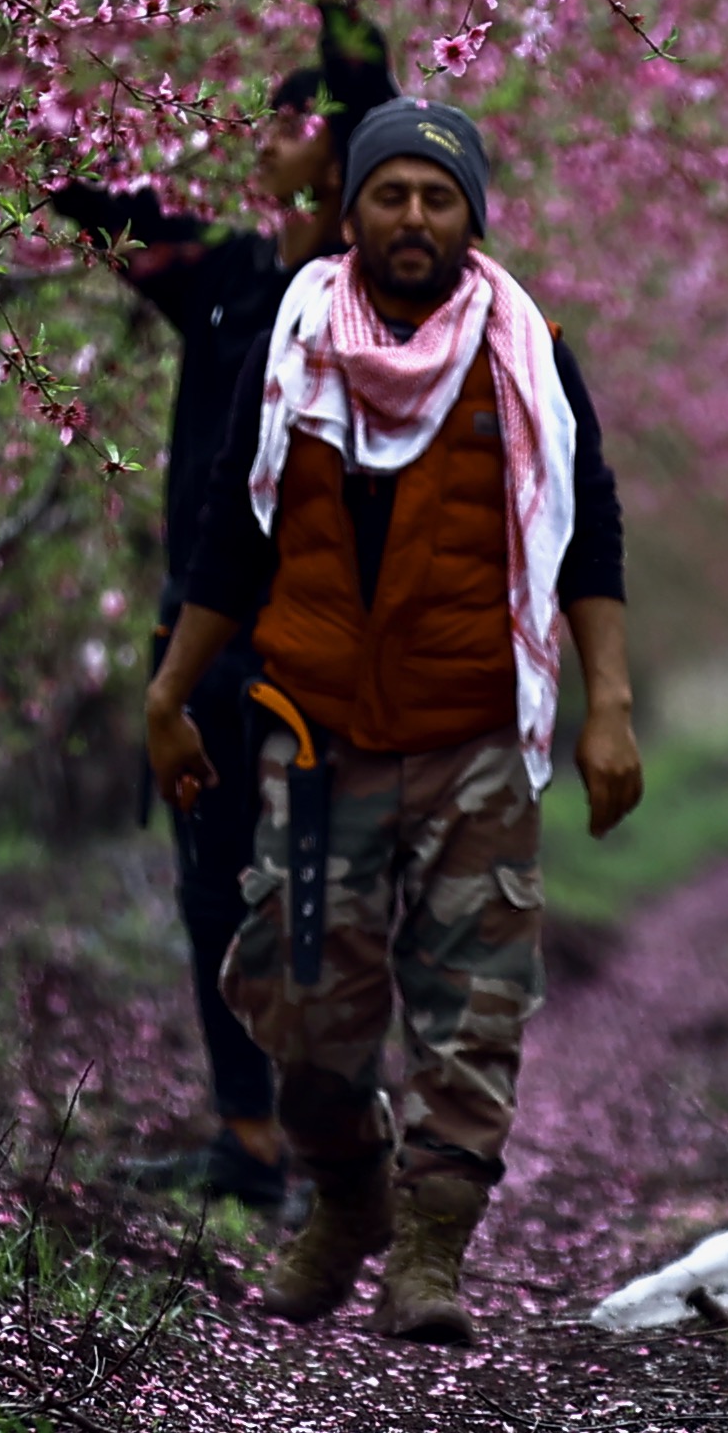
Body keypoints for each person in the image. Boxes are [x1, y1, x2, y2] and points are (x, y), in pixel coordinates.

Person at [140, 96, 645, 1344]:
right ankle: (350, 1199)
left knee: (471, 1010)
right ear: (351, 211)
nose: (414, 218)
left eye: (438, 195)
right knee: (302, 1008)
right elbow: (233, 529)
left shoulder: (527, 351)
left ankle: (431, 1253)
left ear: (473, 214)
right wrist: (167, 693)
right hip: (316, 740)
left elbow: (589, 527)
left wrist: (610, 707)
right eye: (390, 194)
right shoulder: (292, 342)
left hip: (474, 730)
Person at [65, 22, 390, 1206]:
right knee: (211, 882)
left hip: (318, 633)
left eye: (286, 124)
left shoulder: (378, 289)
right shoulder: (223, 276)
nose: (259, 144)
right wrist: (7, 102)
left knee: (315, 883)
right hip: (199, 626)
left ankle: (328, 1136)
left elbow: (371, 94)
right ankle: (246, 1138)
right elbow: (103, 215)